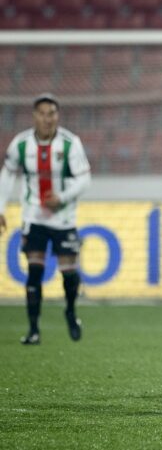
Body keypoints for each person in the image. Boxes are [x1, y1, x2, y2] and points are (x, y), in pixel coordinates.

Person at [0, 93, 91, 345]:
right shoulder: (21, 144)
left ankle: (71, 312)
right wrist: (0, 208)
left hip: (64, 218)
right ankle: (33, 330)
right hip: (33, 217)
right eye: (42, 113)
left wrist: (61, 197)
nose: (46, 118)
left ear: (57, 116)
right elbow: (7, 177)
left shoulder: (70, 143)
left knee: (69, 274)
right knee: (34, 272)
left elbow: (84, 179)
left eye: (51, 113)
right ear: (34, 116)